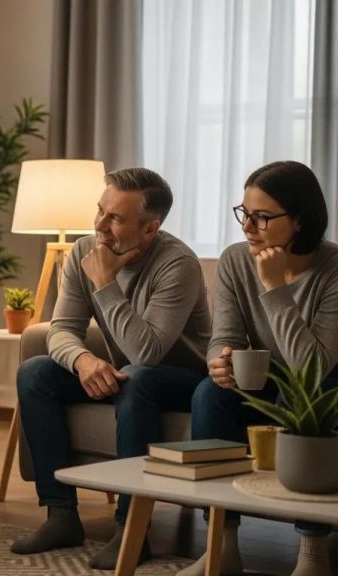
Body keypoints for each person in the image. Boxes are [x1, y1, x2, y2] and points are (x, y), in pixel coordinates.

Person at [11, 167, 211, 570]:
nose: (100, 224)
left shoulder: (178, 265)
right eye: (100, 210)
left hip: (186, 380)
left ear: (150, 227)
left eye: (116, 218)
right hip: (131, 373)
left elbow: (148, 351)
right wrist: (83, 359)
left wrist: (105, 282)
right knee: (35, 373)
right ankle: (61, 515)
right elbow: (62, 330)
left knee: (138, 378)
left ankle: (131, 531)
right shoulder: (84, 251)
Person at [178, 161, 338, 576]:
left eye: (262, 217)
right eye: (244, 213)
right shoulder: (235, 260)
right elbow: (224, 334)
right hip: (267, 379)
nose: (248, 226)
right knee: (208, 393)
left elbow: (313, 366)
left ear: (299, 221)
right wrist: (221, 361)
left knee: (302, 396)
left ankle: (312, 553)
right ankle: (222, 545)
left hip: (324, 385)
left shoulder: (333, 269)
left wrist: (274, 287)